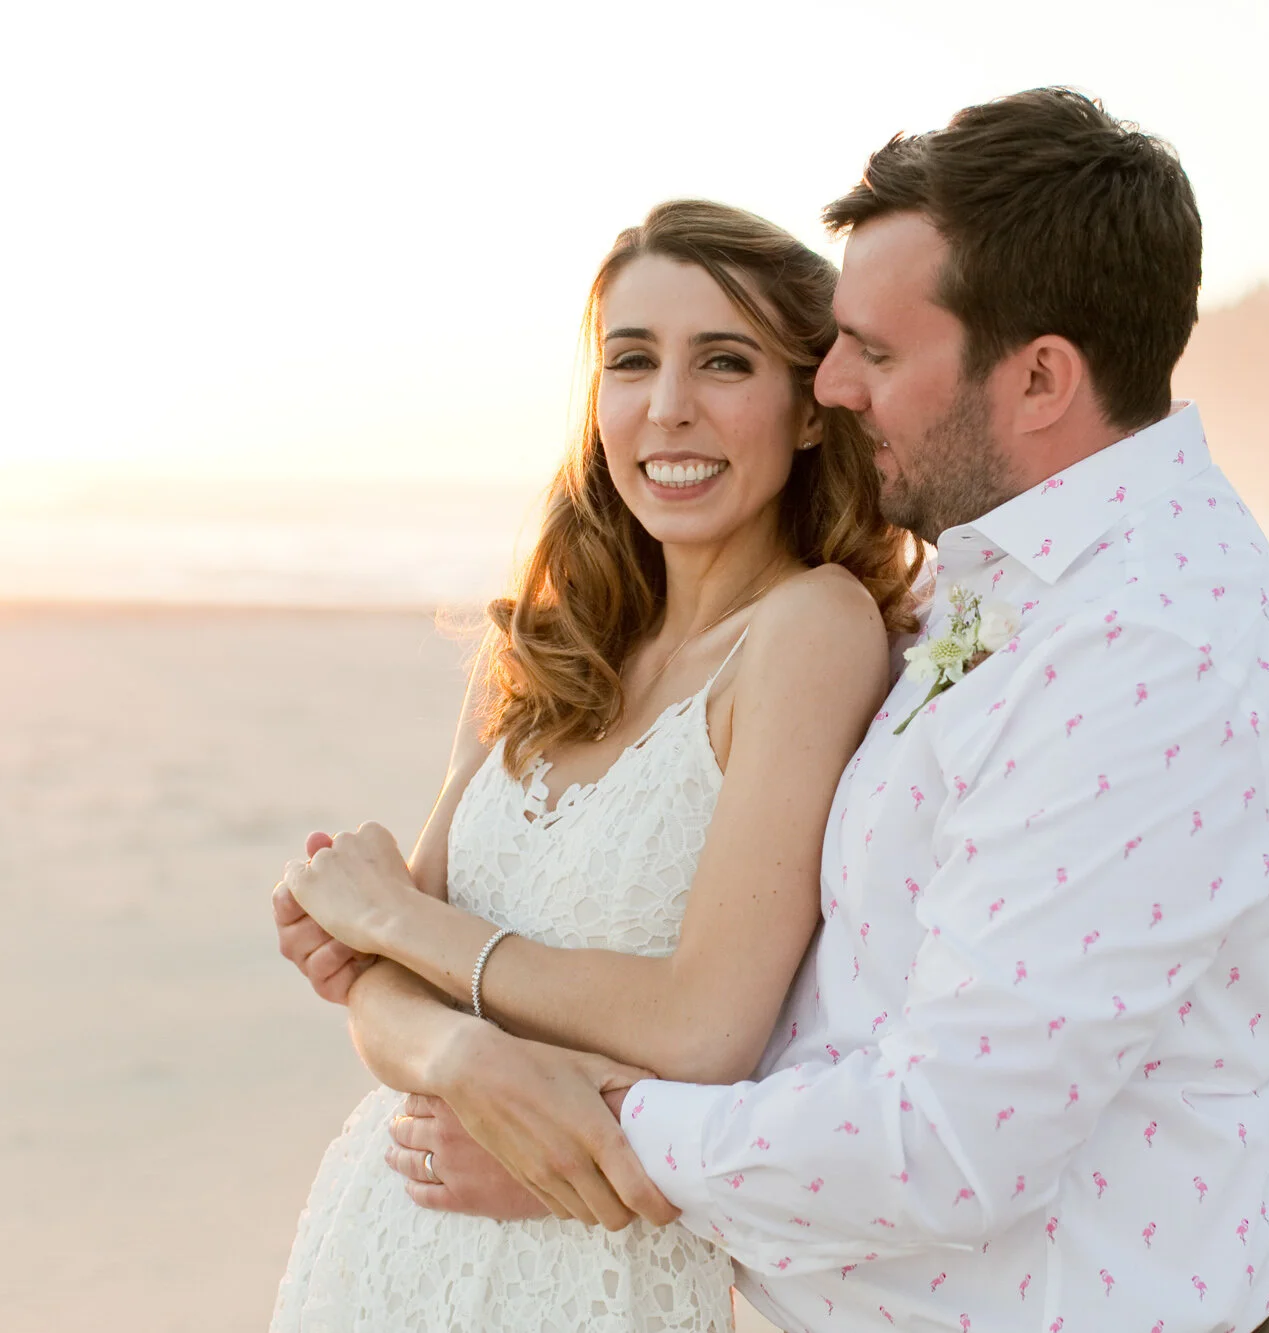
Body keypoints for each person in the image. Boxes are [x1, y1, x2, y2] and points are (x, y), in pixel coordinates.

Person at [291, 87, 1269, 1333]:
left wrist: (569, 1129)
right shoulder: (1004, 581)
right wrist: (430, 1011)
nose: (835, 383)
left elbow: (949, 1136)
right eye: (628, 359)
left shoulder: (1149, 648)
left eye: (876, 353)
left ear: (1041, 378)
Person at [267, 198, 920, 1331]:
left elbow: (701, 1025)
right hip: (379, 1244)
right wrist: (463, 1054)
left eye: (724, 361)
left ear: (808, 411)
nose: (668, 408)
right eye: (631, 362)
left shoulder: (809, 630)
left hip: (585, 1275)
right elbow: (381, 999)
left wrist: (399, 926)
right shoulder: (541, 643)